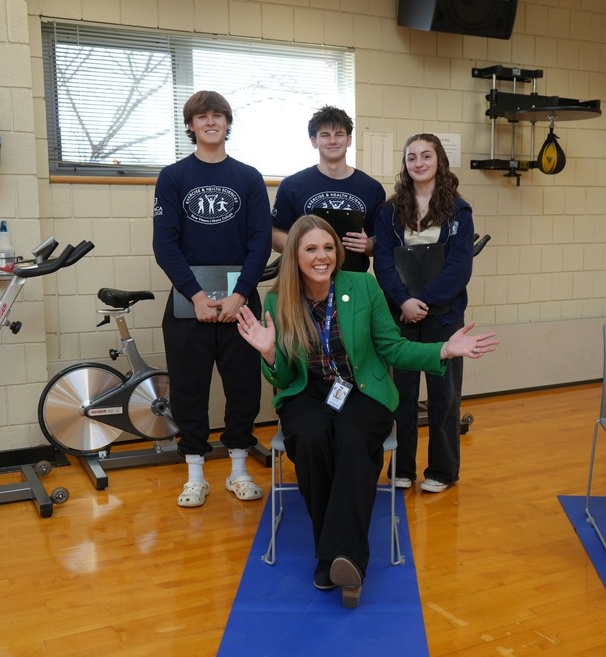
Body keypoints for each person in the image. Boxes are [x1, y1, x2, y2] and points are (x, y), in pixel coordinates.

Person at [236, 215, 497, 608]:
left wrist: (443, 349)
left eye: (328, 247)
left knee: (353, 438)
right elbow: (287, 375)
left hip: (362, 389)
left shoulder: (363, 286)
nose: (322, 256)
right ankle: (340, 552)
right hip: (309, 391)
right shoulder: (278, 300)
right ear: (295, 256)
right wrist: (270, 352)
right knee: (308, 437)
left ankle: (339, 558)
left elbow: (393, 348)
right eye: (311, 249)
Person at [153, 91, 272, 508]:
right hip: (190, 304)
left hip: (240, 302)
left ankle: (238, 472)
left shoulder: (249, 177)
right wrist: (196, 295)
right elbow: (164, 244)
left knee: (243, 390)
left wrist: (241, 295)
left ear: (227, 123)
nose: (210, 122)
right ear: (190, 126)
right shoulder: (172, 177)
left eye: (218, 115)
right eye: (201, 117)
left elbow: (260, 242)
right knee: (189, 391)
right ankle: (195, 475)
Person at [373, 133, 475, 494]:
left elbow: (460, 267)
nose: (418, 163)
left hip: (443, 318)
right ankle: (402, 468)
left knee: (444, 397)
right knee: (400, 393)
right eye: (412, 157)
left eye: (426, 156)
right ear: (406, 164)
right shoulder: (389, 211)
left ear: (439, 161)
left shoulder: (459, 210)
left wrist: (424, 303)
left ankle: (443, 471)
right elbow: (383, 262)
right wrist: (403, 302)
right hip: (399, 315)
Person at [271, 106, 386, 272]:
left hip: (353, 280)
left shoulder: (372, 188)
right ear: (314, 141)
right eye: (325, 135)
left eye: (339, 134)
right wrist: (301, 246)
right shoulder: (292, 185)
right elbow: (275, 234)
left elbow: (382, 241)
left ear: (349, 139)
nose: (333, 141)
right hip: (305, 280)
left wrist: (367, 244)